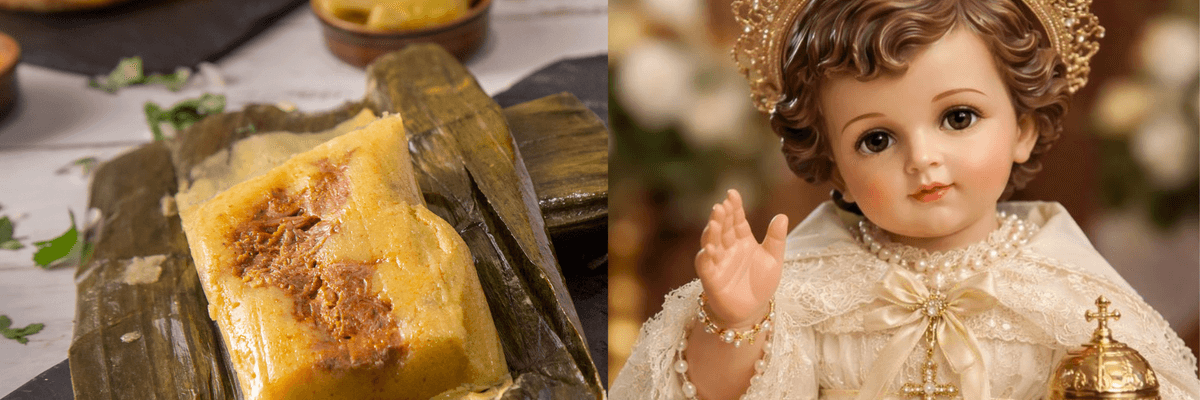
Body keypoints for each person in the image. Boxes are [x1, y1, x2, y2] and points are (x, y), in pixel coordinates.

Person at [609, 0, 1200, 399]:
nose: (922, 158)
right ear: (833, 166)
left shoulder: (1072, 291)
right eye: (877, 140)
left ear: (1022, 127)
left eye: (958, 117)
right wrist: (735, 322)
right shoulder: (805, 289)